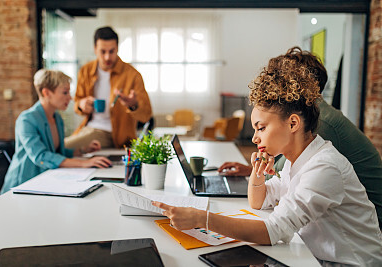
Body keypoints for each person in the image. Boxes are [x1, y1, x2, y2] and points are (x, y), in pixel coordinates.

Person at [153, 49, 382, 265]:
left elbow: (273, 231)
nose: (254, 138)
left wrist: (202, 219)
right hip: (316, 255)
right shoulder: (297, 160)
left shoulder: (324, 167)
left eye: (260, 128)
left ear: (293, 123)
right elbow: (259, 201)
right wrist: (257, 174)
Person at [219, 46, 382, 229]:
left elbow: (278, 218)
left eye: (284, 76)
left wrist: (206, 220)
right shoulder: (309, 127)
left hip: (361, 225)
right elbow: (280, 177)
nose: (275, 83)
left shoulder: (321, 127)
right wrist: (254, 169)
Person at [0, 70, 112, 194]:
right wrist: (84, 163)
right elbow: (41, 156)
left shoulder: (57, 119)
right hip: (22, 186)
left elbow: (59, 153)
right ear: (46, 92)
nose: (69, 98)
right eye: (65, 92)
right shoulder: (26, 120)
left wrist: (83, 150)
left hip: (46, 182)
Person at [64, 26, 152, 149]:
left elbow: (146, 115)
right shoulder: (85, 71)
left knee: (63, 147)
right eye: (103, 51)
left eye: (112, 51)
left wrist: (133, 104)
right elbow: (77, 104)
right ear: (95, 49)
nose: (107, 57)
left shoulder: (132, 75)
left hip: (119, 136)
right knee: (64, 147)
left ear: (117, 49)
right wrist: (81, 104)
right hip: (90, 128)